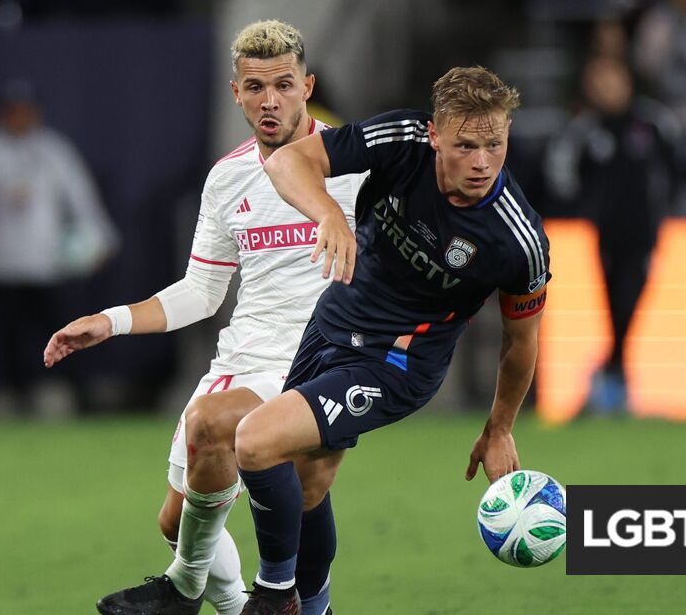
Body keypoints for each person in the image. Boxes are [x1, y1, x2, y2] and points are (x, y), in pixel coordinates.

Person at [41, 20, 365, 615]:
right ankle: (237, 604)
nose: (271, 100)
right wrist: (109, 321)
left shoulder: (357, 165)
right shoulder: (228, 176)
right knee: (177, 521)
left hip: (322, 358)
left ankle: (190, 591)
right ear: (236, 93)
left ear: (307, 85)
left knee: (283, 474)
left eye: (285, 85)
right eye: (256, 87)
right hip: (244, 356)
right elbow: (202, 291)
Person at [232, 65, 550, 613]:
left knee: (255, 442)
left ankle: (274, 593)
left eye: (494, 145)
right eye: (464, 145)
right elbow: (287, 161)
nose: (480, 162)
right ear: (434, 134)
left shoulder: (517, 241)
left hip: (397, 363)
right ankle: (316, 607)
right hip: (333, 320)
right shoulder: (402, 140)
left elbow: (520, 343)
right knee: (307, 486)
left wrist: (499, 429)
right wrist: (328, 211)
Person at [0, 79, 118, 413]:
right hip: (1, 264)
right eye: (13, 111)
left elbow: (81, 200)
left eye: (25, 111)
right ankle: (16, 400)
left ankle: (81, 399)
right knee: (7, 340)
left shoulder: (54, 150)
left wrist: (100, 238)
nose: (19, 117)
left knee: (67, 334)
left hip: (46, 264)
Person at [544, 57, 676, 414]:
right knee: (613, 305)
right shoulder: (586, 130)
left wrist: (672, 209)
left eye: (612, 80)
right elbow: (561, 171)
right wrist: (581, 210)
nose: (607, 89)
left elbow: (676, 165)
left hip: (645, 234)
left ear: (627, 81)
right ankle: (614, 379)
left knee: (629, 305)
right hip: (605, 237)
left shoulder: (651, 122)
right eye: (599, 83)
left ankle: (609, 372)